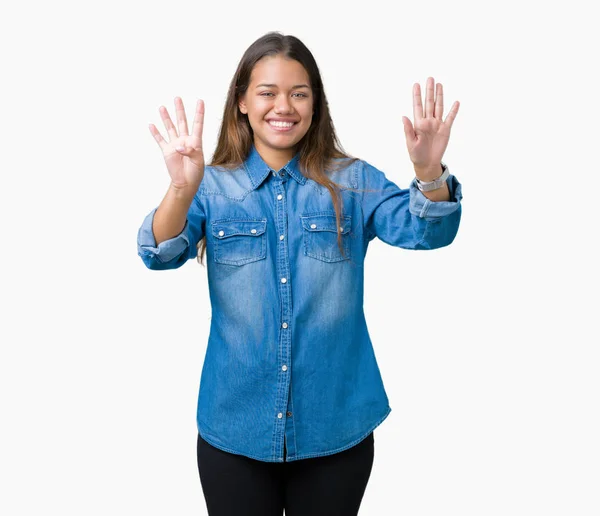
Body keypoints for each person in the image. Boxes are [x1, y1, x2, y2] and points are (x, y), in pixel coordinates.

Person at [137, 31, 463, 516]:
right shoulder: (213, 188)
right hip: (236, 431)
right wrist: (182, 188)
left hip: (336, 429)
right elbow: (158, 253)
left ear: (315, 104)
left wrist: (430, 171)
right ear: (243, 102)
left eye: (299, 93)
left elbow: (427, 231)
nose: (282, 105)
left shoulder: (353, 181)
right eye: (267, 92)